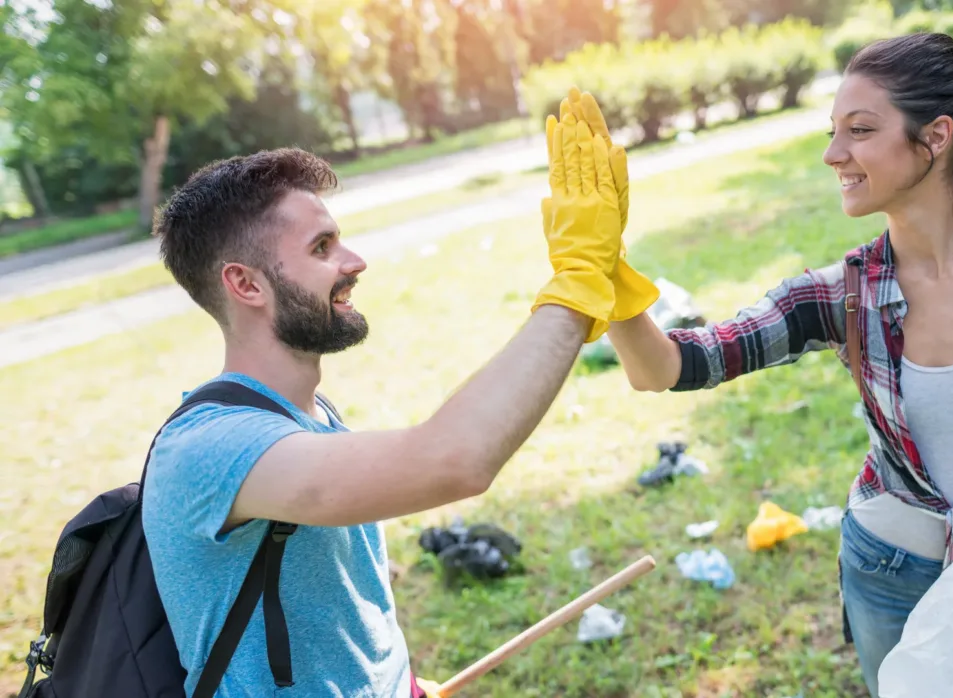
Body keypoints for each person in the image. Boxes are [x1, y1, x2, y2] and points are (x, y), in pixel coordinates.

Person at [572, 32, 953, 695]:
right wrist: (610, 275)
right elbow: (664, 368)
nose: (834, 154)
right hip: (890, 575)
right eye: (835, 131)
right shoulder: (843, 294)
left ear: (936, 137)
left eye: (860, 130)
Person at [143, 114, 630, 696]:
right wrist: (576, 285)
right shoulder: (212, 449)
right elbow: (455, 460)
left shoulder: (308, 414)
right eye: (322, 247)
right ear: (246, 285)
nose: (355, 261)